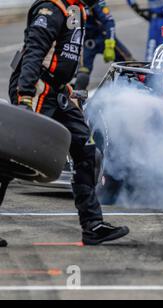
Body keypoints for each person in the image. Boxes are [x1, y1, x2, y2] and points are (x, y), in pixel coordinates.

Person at [8, 0, 130, 247]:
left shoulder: (78, 10)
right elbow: (34, 53)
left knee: (86, 152)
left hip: (59, 91)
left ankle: (93, 226)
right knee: (12, 160)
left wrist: (67, 86)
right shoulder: (52, 9)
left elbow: (64, 55)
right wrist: (25, 99)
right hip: (36, 88)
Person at [75, 0, 134, 90]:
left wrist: (110, 44)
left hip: (103, 37)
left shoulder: (96, 3)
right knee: (82, 74)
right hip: (85, 41)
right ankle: (77, 100)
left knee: (129, 64)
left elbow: (109, 21)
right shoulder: (72, 4)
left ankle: (136, 90)